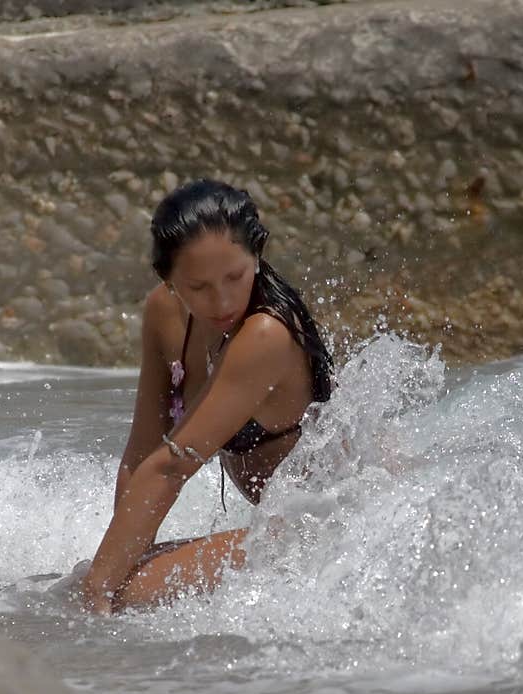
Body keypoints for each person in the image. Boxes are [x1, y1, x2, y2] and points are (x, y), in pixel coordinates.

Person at [77, 179, 333, 614]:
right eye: (199, 287)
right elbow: (142, 454)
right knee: (92, 582)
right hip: (281, 528)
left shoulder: (265, 334)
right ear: (169, 279)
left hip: (336, 529)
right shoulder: (163, 313)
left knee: (121, 596)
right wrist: (111, 572)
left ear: (256, 255)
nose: (223, 300)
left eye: (236, 276)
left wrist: (101, 591)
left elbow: (172, 465)